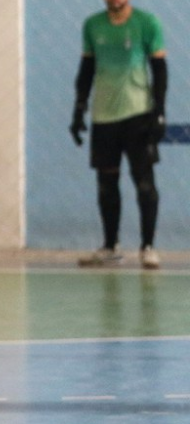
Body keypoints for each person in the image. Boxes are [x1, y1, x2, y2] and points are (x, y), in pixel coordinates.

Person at [70, 0, 167, 269]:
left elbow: (159, 69)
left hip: (138, 115)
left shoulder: (147, 23)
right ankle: (110, 247)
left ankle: (148, 247)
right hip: (104, 118)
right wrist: (79, 108)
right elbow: (86, 70)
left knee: (144, 182)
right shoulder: (93, 25)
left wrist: (159, 111)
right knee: (106, 184)